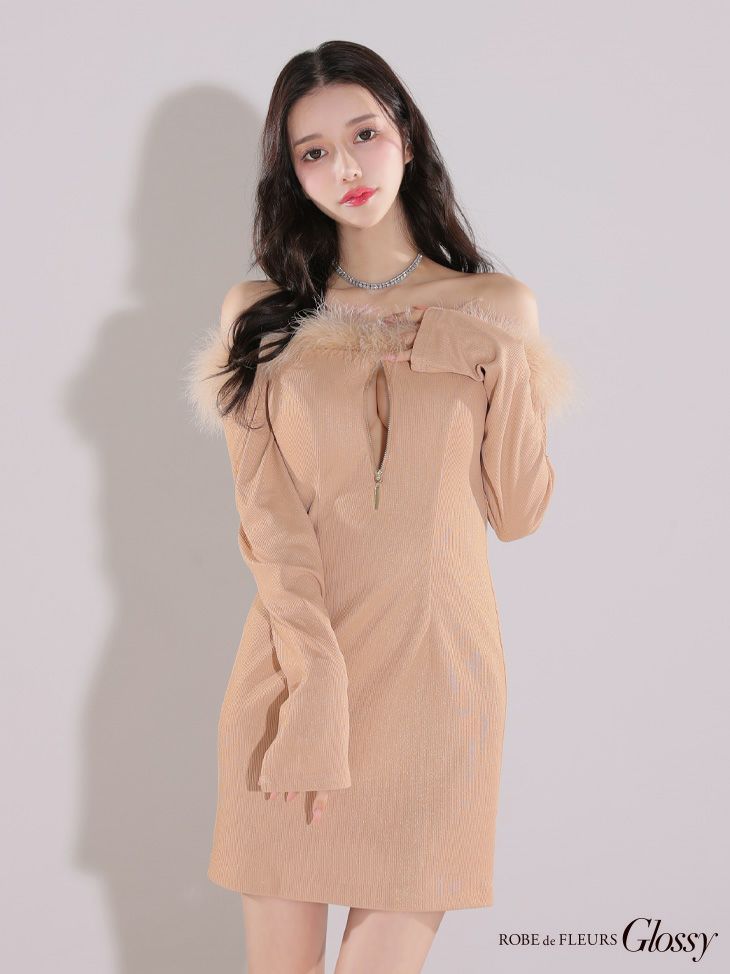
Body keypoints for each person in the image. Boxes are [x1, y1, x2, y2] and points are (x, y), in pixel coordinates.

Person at [187, 38, 574, 974]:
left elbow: (519, 512)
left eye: (363, 134)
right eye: (314, 151)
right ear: (291, 173)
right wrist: (315, 696)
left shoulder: (497, 306)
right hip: (295, 677)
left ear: (406, 134)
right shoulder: (260, 314)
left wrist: (495, 360)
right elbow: (268, 526)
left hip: (440, 683)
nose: (346, 168)